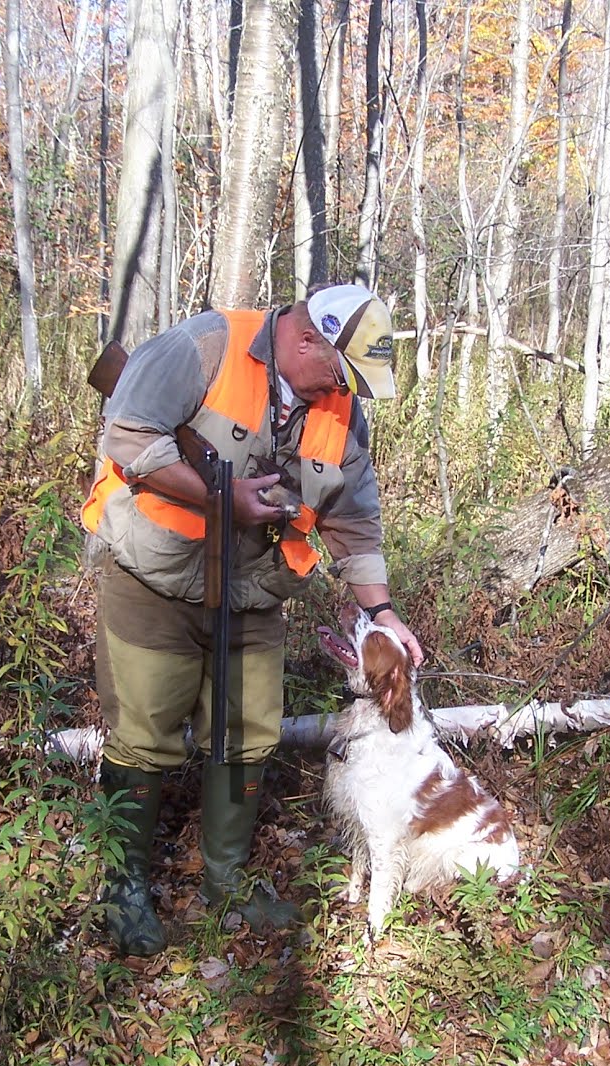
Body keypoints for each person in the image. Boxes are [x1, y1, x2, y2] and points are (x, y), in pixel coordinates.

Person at [80, 284, 423, 956]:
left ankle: (226, 881)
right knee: (143, 736)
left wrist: (381, 610)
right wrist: (221, 496)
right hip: (153, 575)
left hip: (253, 590)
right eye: (341, 373)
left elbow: (353, 521)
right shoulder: (206, 345)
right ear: (306, 339)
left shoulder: (343, 410)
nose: (345, 391)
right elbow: (128, 433)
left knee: (249, 733)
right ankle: (123, 886)